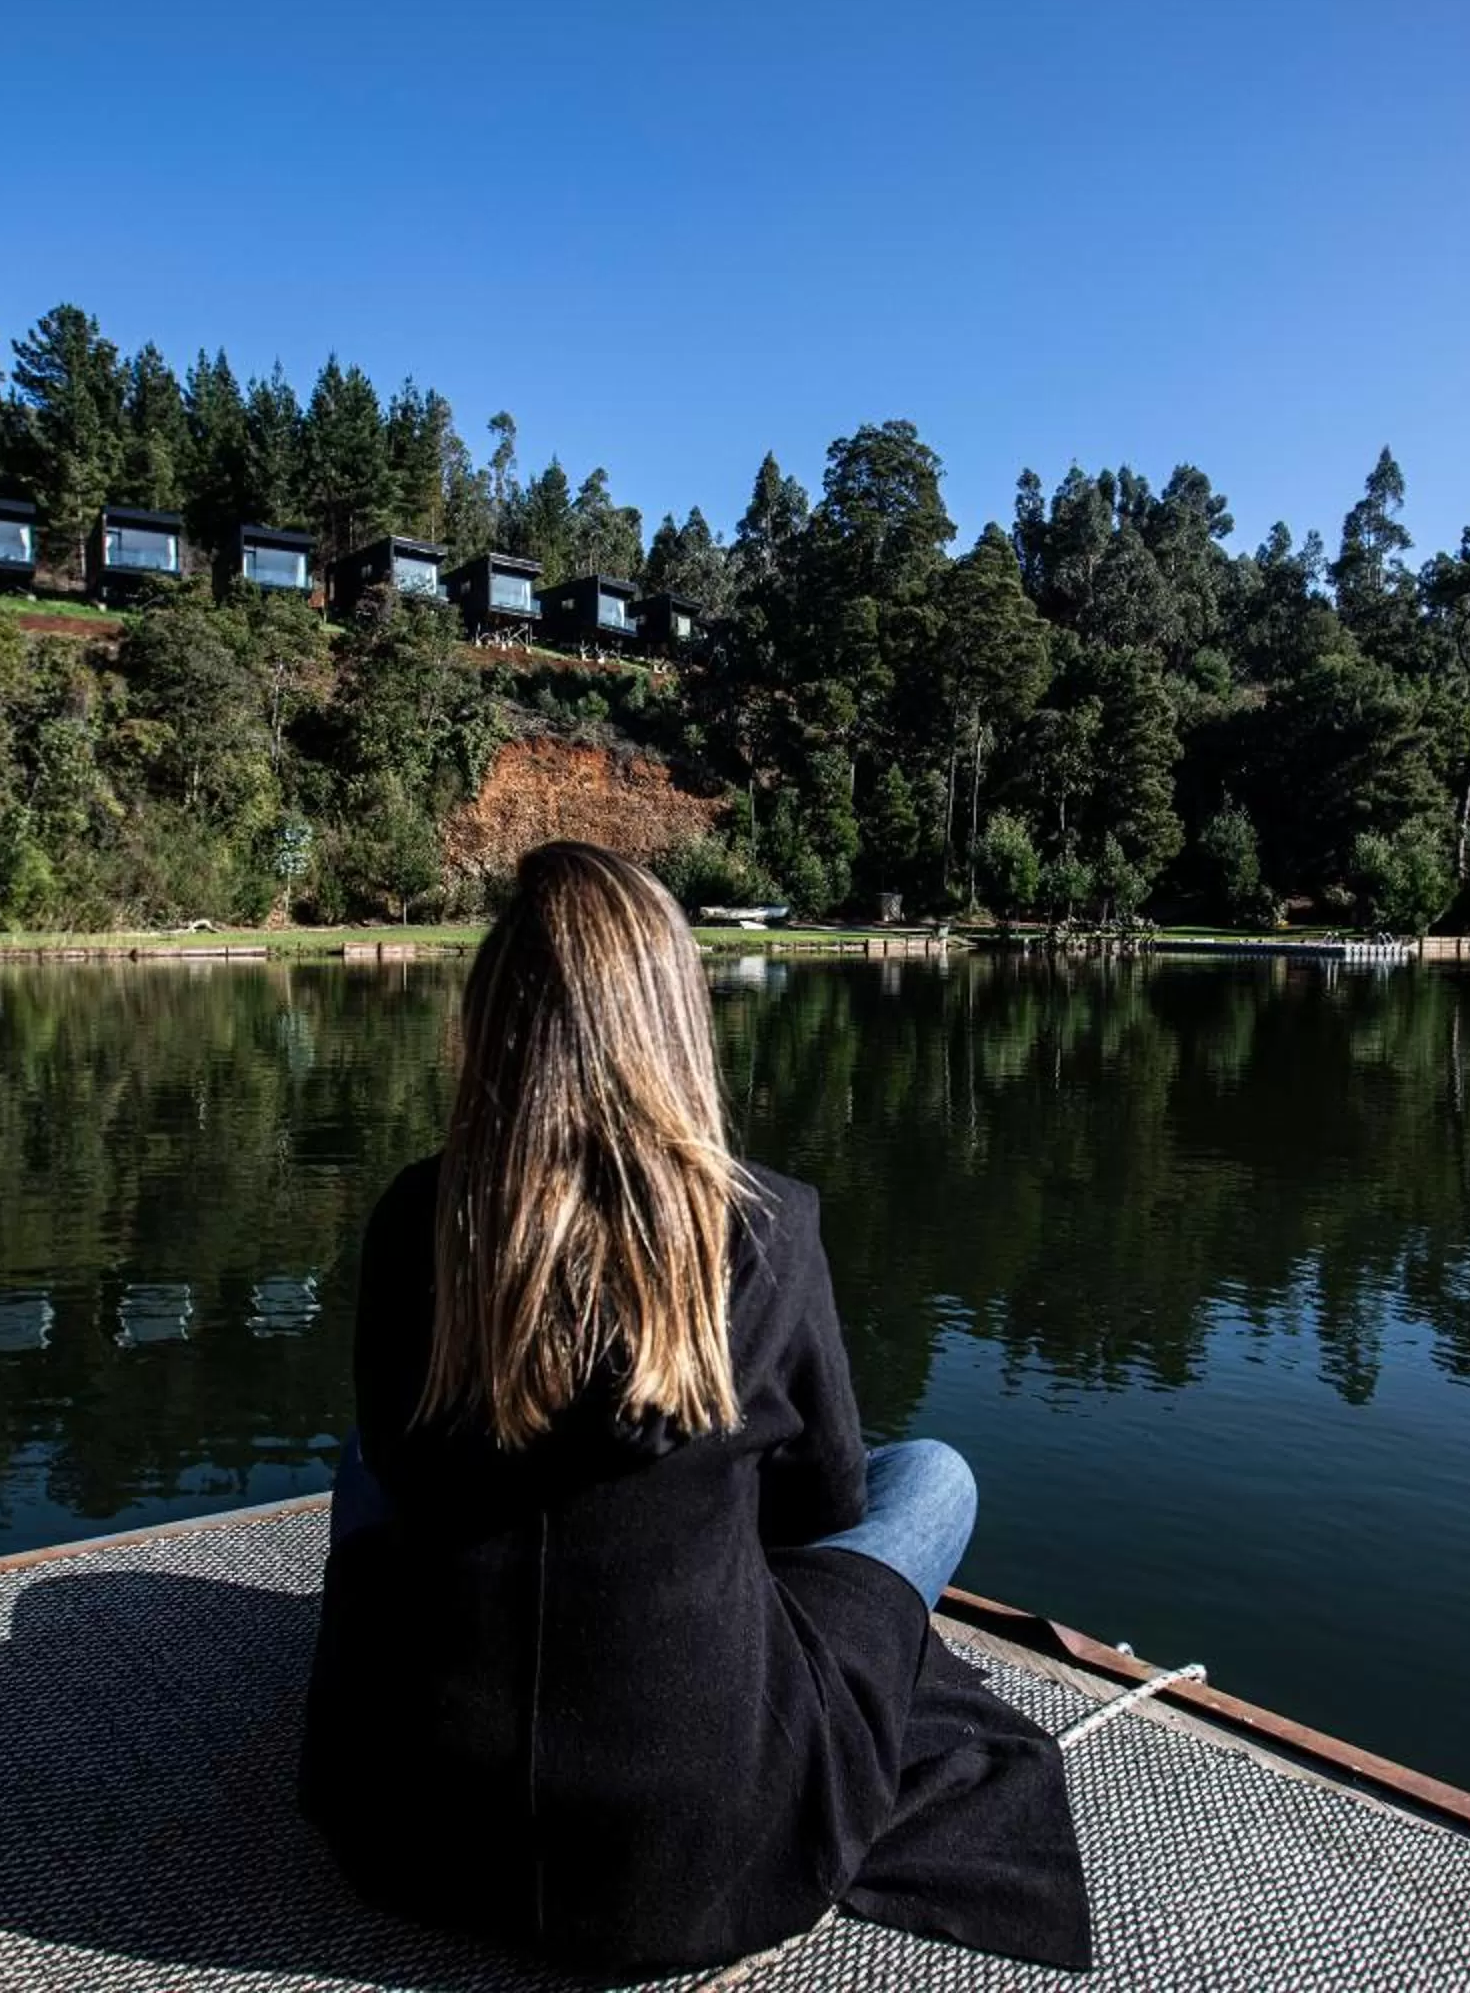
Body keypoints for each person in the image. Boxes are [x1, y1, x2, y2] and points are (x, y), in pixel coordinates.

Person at [300, 841, 1091, 1976]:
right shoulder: (766, 1222)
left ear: (491, 1014)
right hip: (701, 1840)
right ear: (672, 1013)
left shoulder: (416, 1211)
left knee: (359, 1460)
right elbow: (824, 1505)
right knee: (937, 1476)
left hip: (418, 1823)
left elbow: (397, 1455)